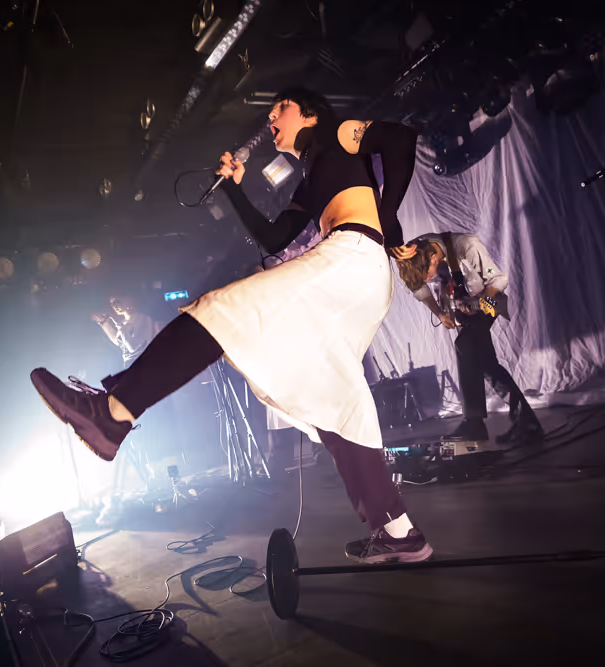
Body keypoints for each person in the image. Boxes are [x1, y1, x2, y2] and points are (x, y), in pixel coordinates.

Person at [32, 87, 430, 563]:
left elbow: (400, 139)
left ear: (308, 113)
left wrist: (387, 214)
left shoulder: (340, 133)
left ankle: (114, 411)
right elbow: (273, 237)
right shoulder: (308, 181)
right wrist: (234, 188)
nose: (271, 119)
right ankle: (399, 532)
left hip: (352, 256)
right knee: (340, 401)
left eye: (279, 108)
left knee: (223, 308)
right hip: (358, 273)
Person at [396, 233, 544, 444]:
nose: (428, 280)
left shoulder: (467, 245)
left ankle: (474, 424)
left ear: (433, 258)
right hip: (463, 309)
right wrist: (440, 313)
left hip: (489, 300)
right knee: (485, 363)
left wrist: (481, 304)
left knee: (464, 344)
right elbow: (417, 286)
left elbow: (498, 279)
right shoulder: (416, 252)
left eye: (427, 275)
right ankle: (526, 422)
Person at [92, 294, 162, 367]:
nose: (115, 305)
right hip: (129, 364)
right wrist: (103, 323)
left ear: (130, 300)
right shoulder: (122, 323)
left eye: (118, 301)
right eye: (112, 303)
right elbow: (120, 344)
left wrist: (119, 326)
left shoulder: (142, 319)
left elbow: (132, 347)